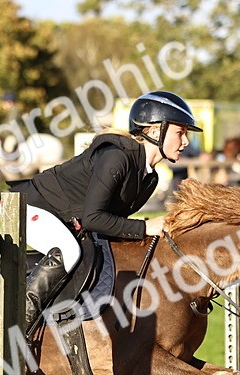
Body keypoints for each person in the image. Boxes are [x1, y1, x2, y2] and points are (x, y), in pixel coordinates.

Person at [12, 90, 200, 335]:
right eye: (180, 132)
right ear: (155, 131)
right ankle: (19, 327)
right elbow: (93, 219)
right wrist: (144, 227)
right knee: (68, 251)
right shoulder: (117, 157)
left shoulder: (149, 177)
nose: (185, 142)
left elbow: (108, 221)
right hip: (33, 207)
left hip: (66, 219)